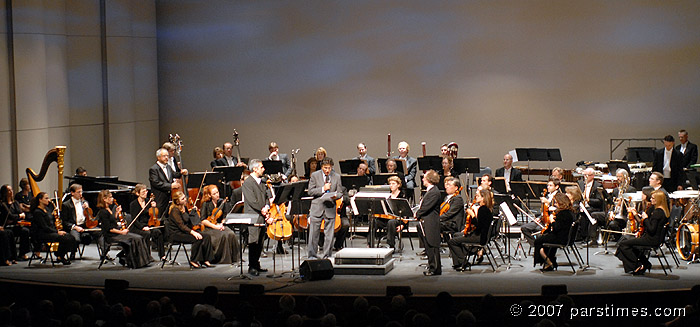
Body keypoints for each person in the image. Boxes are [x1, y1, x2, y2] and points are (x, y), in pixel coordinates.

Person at [615, 190, 669, 275]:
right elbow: (649, 225)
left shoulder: (657, 212)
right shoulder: (662, 211)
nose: (651, 199)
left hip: (651, 240)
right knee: (627, 243)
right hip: (654, 239)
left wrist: (646, 218)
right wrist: (640, 217)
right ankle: (645, 264)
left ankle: (638, 265)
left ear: (658, 200)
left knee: (623, 244)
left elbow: (651, 229)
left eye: (653, 198)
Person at [96, 190, 150, 268]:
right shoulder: (103, 212)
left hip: (116, 233)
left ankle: (143, 261)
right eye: (110, 197)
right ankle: (135, 263)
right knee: (134, 239)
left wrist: (116, 213)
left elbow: (112, 221)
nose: (112, 199)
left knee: (139, 237)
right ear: (104, 199)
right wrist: (122, 232)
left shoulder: (109, 209)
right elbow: (109, 228)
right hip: (111, 235)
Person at [447, 188, 493, 270]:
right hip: (481, 235)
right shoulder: (486, 209)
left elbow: (479, 227)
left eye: (478, 196)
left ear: (483, 198)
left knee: (452, 241)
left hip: (479, 237)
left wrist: (472, 215)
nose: (476, 197)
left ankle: (463, 262)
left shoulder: (483, 210)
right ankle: (457, 263)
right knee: (456, 235)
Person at [307, 158, 344, 259]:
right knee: (313, 235)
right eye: (325, 168)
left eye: (329, 168)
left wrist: (335, 196)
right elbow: (310, 191)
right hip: (317, 208)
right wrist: (323, 189)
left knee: (329, 236)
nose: (327, 170)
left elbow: (340, 192)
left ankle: (327, 256)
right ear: (321, 167)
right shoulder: (315, 175)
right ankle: (312, 256)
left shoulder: (336, 177)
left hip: (330, 208)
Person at [166, 191, 214, 268]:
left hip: (185, 232)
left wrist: (193, 212)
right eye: (183, 199)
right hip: (177, 234)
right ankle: (193, 260)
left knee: (206, 236)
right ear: (178, 201)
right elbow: (181, 226)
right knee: (197, 238)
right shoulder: (175, 210)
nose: (185, 199)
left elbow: (188, 220)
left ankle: (205, 259)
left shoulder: (184, 208)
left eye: (185, 197)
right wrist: (193, 232)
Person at [242, 159, 271, 275]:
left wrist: (267, 206)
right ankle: (252, 266)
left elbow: (268, 196)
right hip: (253, 215)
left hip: (262, 215)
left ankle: (257, 263)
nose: (263, 169)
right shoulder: (248, 183)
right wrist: (263, 209)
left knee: (260, 241)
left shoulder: (263, 182)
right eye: (261, 167)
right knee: (253, 241)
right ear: (255, 169)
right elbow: (252, 200)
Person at [30, 192, 76, 265]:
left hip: (50, 232)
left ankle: (60, 255)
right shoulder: (37, 212)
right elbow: (44, 227)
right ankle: (59, 255)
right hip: (42, 234)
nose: (48, 200)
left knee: (71, 237)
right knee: (65, 238)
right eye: (46, 198)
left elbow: (51, 223)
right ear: (40, 200)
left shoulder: (47, 210)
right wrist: (57, 232)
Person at [534, 193, 575, 272]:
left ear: (561, 202)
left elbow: (556, 228)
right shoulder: (569, 212)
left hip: (561, 238)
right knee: (544, 238)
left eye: (556, 202)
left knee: (538, 241)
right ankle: (551, 260)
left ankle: (549, 262)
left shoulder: (563, 214)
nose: (555, 204)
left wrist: (552, 220)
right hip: (565, 237)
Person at [199, 185, 239, 264]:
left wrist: (222, 224)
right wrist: (215, 226)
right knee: (222, 236)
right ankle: (222, 259)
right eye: (214, 194)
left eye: (217, 192)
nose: (217, 195)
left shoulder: (222, 202)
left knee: (231, 234)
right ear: (210, 195)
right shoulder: (206, 204)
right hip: (209, 227)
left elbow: (225, 216)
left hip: (219, 225)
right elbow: (203, 220)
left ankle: (234, 258)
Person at [61, 184, 101, 260]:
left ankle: (104, 254)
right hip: (74, 226)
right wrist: (75, 227)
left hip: (85, 225)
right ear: (72, 193)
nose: (81, 194)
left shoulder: (84, 202)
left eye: (81, 192)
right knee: (75, 239)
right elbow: (65, 222)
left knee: (100, 233)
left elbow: (90, 216)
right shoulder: (66, 205)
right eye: (78, 192)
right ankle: (73, 253)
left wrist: (88, 208)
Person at [129, 184, 165, 261]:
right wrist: (142, 227)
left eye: (146, 191)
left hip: (148, 225)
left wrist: (154, 207)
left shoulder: (149, 202)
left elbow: (153, 215)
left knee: (158, 232)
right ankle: (147, 256)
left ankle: (162, 255)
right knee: (147, 234)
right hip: (137, 227)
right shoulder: (133, 204)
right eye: (143, 192)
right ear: (137, 193)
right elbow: (134, 220)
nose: (145, 193)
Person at [415, 170, 442, 276]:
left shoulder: (434, 192)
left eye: (424, 178)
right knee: (429, 246)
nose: (422, 179)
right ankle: (432, 267)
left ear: (429, 179)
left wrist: (417, 214)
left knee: (433, 246)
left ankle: (435, 268)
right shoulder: (430, 191)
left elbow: (427, 207)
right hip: (427, 221)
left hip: (431, 222)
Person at [521, 178, 561, 247]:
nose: (548, 187)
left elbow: (560, 209)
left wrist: (548, 202)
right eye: (548, 185)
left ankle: (539, 247)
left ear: (556, 187)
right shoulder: (547, 195)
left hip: (551, 222)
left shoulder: (559, 196)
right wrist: (539, 217)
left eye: (550, 185)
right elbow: (544, 211)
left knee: (540, 232)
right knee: (524, 228)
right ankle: (536, 246)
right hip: (543, 220)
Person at [149, 148, 187, 219]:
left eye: (167, 156)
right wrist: (171, 185)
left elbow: (174, 174)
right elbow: (156, 183)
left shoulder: (168, 167)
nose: (166, 157)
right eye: (164, 156)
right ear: (158, 157)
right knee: (160, 217)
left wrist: (181, 173)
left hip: (170, 196)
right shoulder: (153, 169)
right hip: (160, 198)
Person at [374, 176, 406, 249]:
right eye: (390, 184)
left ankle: (391, 245)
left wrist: (403, 225)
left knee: (391, 222)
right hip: (386, 218)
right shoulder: (387, 195)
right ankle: (370, 244)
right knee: (374, 221)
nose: (391, 185)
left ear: (398, 185)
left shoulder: (402, 196)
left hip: (398, 220)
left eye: (393, 183)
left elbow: (406, 213)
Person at [0, 184, 30, 260]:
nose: (11, 192)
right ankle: (12, 256)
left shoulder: (15, 202)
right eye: (9, 190)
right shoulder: (3, 204)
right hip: (7, 226)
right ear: (5, 192)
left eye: (11, 190)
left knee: (25, 231)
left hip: (16, 225)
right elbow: (10, 215)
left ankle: (22, 253)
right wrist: (19, 216)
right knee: (9, 233)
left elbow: (20, 214)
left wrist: (17, 216)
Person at [605, 169, 637, 236]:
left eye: (620, 176)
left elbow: (632, 204)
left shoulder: (631, 190)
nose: (618, 178)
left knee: (613, 224)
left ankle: (619, 240)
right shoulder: (615, 190)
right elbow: (612, 204)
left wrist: (622, 202)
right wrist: (611, 213)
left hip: (625, 215)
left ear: (625, 177)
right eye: (617, 176)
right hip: (616, 214)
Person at [578, 168, 606, 244]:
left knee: (585, 213)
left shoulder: (598, 185)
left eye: (587, 175)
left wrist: (589, 200)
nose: (585, 177)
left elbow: (599, 201)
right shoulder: (580, 184)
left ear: (593, 176)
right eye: (584, 175)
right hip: (582, 206)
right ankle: (577, 236)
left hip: (593, 207)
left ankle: (587, 237)